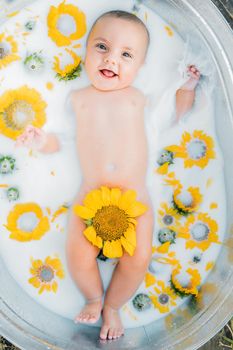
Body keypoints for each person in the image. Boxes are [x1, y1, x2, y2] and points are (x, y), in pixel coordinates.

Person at [15, 10, 200, 341]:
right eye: (102, 47)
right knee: (77, 252)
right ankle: (93, 296)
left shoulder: (140, 100)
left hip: (134, 197)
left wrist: (187, 85)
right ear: (85, 51)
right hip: (90, 194)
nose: (111, 59)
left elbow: (176, 114)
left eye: (126, 55)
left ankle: (113, 305)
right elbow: (62, 139)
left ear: (140, 66)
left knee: (138, 257)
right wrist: (41, 140)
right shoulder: (77, 100)